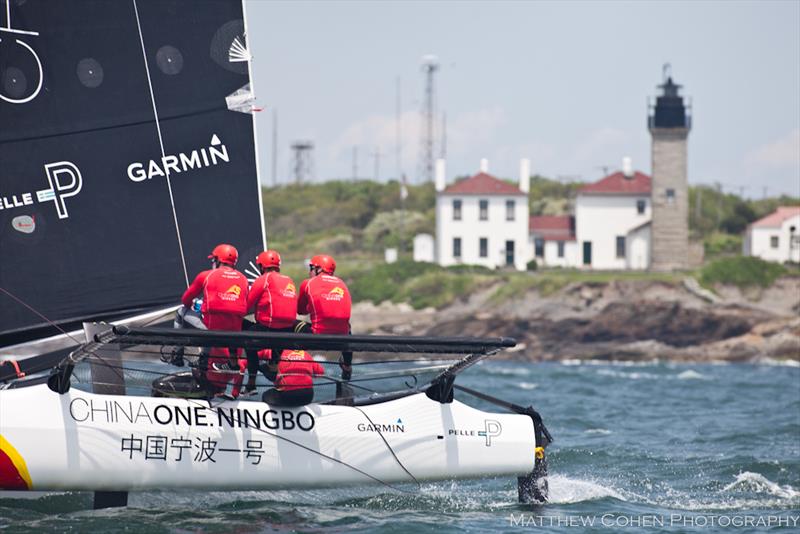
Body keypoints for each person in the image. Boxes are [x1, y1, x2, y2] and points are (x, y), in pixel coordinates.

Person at [181, 243, 249, 397]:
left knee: (181, 312)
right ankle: (231, 393)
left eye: (213, 260)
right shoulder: (244, 279)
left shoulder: (206, 275)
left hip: (212, 363)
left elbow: (185, 299)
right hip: (233, 364)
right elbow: (246, 304)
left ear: (218, 260)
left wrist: (197, 306)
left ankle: (177, 354)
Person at [241, 250, 298, 394]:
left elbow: (246, 306)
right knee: (275, 333)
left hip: (268, 328)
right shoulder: (289, 280)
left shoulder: (264, 279)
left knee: (247, 338)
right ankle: (273, 367)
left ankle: (251, 383)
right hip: (287, 331)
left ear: (261, 266)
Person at [296, 254, 353, 380]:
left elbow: (300, 310)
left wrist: (311, 307)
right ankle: (347, 366)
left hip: (318, 336)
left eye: (311, 268)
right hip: (342, 338)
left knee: (291, 325)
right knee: (348, 327)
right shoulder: (342, 283)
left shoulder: (308, 283)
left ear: (319, 269)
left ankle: (279, 364)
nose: (309, 271)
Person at [258, 348, 324, 407]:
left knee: (265, 396)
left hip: (287, 395)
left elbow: (252, 356)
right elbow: (320, 372)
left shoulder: (272, 351)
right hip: (308, 397)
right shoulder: (304, 353)